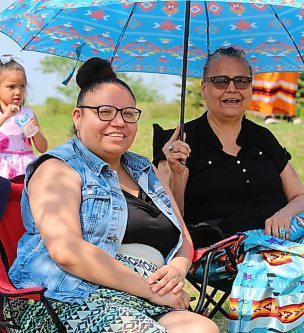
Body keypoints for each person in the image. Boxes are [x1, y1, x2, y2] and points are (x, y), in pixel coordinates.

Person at [152, 47, 304, 332]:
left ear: (251, 87)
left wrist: (286, 212)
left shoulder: (262, 137)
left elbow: (301, 197)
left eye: (242, 81)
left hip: (285, 235)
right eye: (221, 81)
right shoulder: (178, 143)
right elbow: (173, 220)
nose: (232, 89)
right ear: (203, 88)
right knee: (274, 266)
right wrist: (176, 173)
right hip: (224, 250)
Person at [6, 57, 219, 332]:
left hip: (139, 296)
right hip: (67, 296)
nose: (119, 122)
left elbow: (184, 241)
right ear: (78, 117)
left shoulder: (143, 169)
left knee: (203, 329)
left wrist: (175, 272)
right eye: (105, 112)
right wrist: (149, 289)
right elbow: (67, 251)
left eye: (128, 114)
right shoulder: (58, 169)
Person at [0, 55, 47, 178]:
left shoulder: (27, 114)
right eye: (11, 87)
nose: (18, 91)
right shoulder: (1, 115)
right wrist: (5, 116)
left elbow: (42, 148)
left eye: (22, 86)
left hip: (24, 166)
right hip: (2, 166)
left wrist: (34, 131)